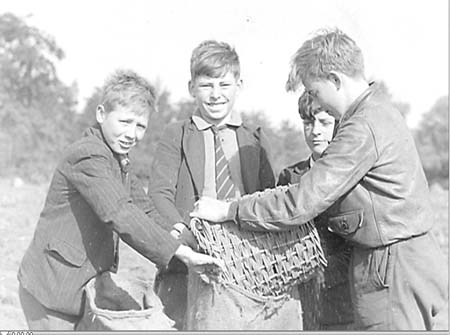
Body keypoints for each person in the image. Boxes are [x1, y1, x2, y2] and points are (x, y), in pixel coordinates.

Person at [191, 28, 449, 331]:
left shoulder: (361, 127)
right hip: (406, 260)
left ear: (336, 80)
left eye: (315, 92)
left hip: (391, 267)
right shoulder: (379, 111)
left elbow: (302, 201)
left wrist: (229, 210)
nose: (317, 102)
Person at [17, 69, 224, 330]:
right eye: (125, 122)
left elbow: (144, 209)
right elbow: (120, 212)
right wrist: (181, 253)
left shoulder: (117, 158)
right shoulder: (89, 156)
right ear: (101, 114)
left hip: (79, 286)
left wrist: (184, 235)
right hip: (51, 291)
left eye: (140, 126)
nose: (132, 134)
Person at [147, 40, 302, 330]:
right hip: (187, 264)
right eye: (206, 85)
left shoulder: (253, 138)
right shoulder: (176, 135)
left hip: (245, 267)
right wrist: (184, 234)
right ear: (192, 87)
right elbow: (158, 195)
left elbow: (267, 199)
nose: (216, 95)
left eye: (224, 85)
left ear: (239, 85)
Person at [278, 92, 353, 330]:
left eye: (324, 123)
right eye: (308, 123)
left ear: (339, 125)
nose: (315, 131)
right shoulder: (289, 177)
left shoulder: (354, 177)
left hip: (344, 297)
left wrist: (323, 272)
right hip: (298, 297)